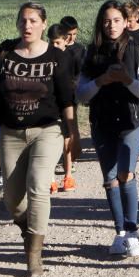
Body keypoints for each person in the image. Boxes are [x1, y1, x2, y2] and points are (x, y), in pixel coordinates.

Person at [0, 2, 78, 277]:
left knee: (37, 186)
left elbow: (67, 99)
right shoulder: (6, 51)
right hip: (10, 132)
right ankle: (27, 227)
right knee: (12, 199)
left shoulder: (57, 58)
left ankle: (33, 255)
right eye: (23, 20)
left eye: (33, 21)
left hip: (47, 130)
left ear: (44, 24)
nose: (27, 26)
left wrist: (73, 133)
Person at [77, 0, 139, 256]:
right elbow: (82, 95)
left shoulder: (137, 51)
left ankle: (133, 232)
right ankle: (120, 232)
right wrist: (102, 80)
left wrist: (126, 80)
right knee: (110, 179)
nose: (112, 26)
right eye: (107, 21)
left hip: (130, 121)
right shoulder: (92, 53)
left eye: (117, 20)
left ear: (126, 22)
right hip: (102, 121)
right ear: (101, 23)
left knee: (125, 174)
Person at [46, 24, 74, 194]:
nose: (54, 46)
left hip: (67, 104)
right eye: (51, 43)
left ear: (66, 40)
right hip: (51, 105)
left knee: (66, 142)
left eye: (57, 43)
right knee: (49, 143)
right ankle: (50, 179)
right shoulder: (46, 57)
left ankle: (68, 175)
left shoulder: (71, 57)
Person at [60, 15, 85, 190]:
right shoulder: (56, 47)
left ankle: (69, 160)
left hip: (72, 95)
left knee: (69, 130)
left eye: (74, 34)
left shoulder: (79, 50)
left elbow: (82, 72)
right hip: (56, 95)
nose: (71, 38)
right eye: (69, 34)